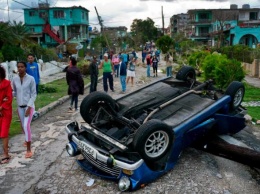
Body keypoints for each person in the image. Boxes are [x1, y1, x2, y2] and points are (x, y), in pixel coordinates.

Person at [12, 61, 37, 159]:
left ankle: (29, 150)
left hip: (28, 106)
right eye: (18, 67)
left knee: (26, 126)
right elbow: (14, 91)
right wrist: (8, 96)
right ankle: (26, 139)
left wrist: (29, 107)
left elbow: (34, 94)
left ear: (25, 68)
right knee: (23, 126)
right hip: (20, 107)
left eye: (22, 67)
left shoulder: (31, 79)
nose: (20, 68)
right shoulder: (14, 79)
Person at [0, 66, 12, 164]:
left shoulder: (7, 83)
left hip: (5, 112)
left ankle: (6, 154)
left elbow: (8, 98)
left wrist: (1, 106)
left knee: (4, 133)